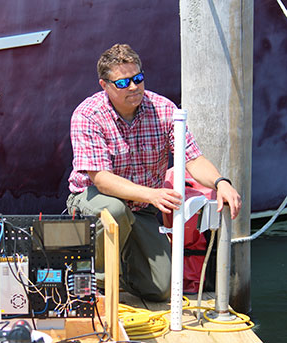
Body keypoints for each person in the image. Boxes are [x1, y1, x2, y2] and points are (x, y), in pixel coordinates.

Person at [66, 44, 241, 301]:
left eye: (138, 78)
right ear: (104, 85)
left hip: (142, 207)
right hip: (94, 200)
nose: (134, 87)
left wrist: (220, 182)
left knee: (164, 288)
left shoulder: (164, 109)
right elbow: (102, 180)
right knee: (113, 211)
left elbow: (193, 159)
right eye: (123, 82)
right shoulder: (88, 115)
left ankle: (124, 268)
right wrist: (152, 194)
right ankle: (93, 274)